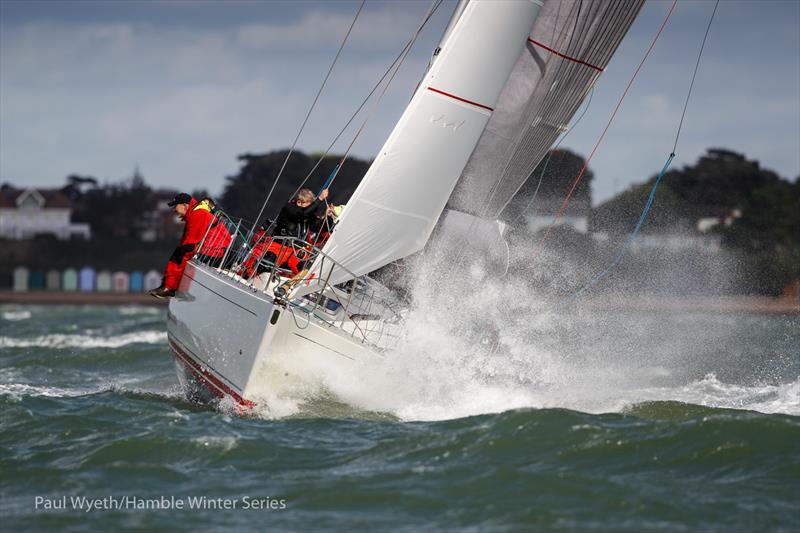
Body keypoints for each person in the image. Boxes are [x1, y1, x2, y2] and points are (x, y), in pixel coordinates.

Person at [149, 193, 214, 299]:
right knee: (183, 253)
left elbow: (189, 245)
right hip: (214, 250)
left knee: (181, 253)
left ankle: (169, 288)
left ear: (184, 205)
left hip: (214, 251)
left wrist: (170, 285)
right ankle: (177, 289)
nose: (174, 210)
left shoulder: (197, 214)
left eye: (175, 206)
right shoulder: (194, 213)